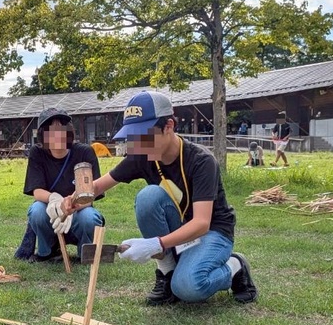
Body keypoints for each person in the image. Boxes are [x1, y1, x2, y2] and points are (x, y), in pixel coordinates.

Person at [66, 90, 256, 305]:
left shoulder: (202, 161)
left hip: (211, 232)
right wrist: (71, 202)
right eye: (133, 136)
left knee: (189, 287)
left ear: (168, 126)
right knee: (149, 197)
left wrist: (155, 244)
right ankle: (167, 272)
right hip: (180, 227)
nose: (138, 143)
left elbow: (202, 223)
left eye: (145, 135)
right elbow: (98, 186)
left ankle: (235, 266)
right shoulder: (142, 155)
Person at [19, 108, 104, 262]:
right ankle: (48, 252)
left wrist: (71, 207)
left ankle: (86, 253)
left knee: (89, 218)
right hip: (52, 213)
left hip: (79, 210)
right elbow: (37, 191)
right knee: (36, 210)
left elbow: (91, 194)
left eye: (62, 130)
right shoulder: (37, 153)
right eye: (51, 131)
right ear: (42, 135)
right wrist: (54, 199)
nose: (57, 135)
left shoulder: (84, 152)